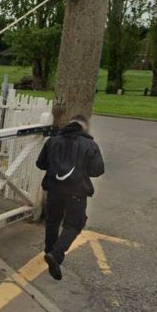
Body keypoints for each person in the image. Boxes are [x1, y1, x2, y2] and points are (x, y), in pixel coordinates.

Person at [35, 115, 105, 280]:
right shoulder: (90, 144)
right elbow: (97, 170)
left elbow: (40, 164)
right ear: (84, 127)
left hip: (54, 189)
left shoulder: (53, 141)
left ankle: (49, 250)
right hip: (76, 192)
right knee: (74, 225)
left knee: (52, 221)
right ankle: (56, 254)